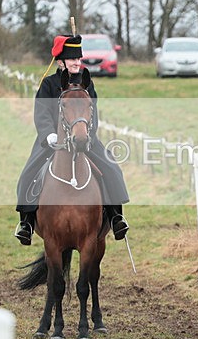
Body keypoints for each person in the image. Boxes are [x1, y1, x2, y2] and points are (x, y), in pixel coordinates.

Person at [14, 33, 129, 245]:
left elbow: (93, 113)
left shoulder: (86, 82)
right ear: (61, 62)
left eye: (78, 58)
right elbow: (41, 113)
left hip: (84, 138)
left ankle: (116, 217)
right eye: (72, 59)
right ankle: (26, 222)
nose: (77, 62)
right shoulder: (49, 84)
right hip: (53, 141)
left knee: (111, 167)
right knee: (28, 174)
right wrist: (49, 135)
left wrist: (87, 135)